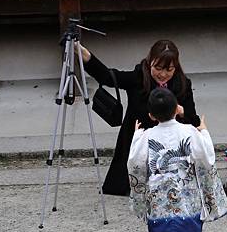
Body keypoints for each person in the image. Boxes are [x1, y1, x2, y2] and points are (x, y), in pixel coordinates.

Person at [76, 40, 201, 195]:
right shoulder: (138, 77)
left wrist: (182, 111)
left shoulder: (183, 84)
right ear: (150, 63)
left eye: (169, 69)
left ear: (176, 68)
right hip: (139, 140)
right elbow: (109, 77)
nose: (163, 74)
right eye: (158, 68)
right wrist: (85, 55)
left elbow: (193, 119)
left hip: (170, 144)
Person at [127, 88, 227, 232]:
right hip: (185, 189)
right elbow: (205, 157)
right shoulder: (189, 131)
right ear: (177, 109)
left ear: (151, 115)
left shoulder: (147, 136)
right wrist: (203, 131)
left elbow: (135, 162)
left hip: (159, 192)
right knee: (187, 210)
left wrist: (137, 136)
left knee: (161, 212)